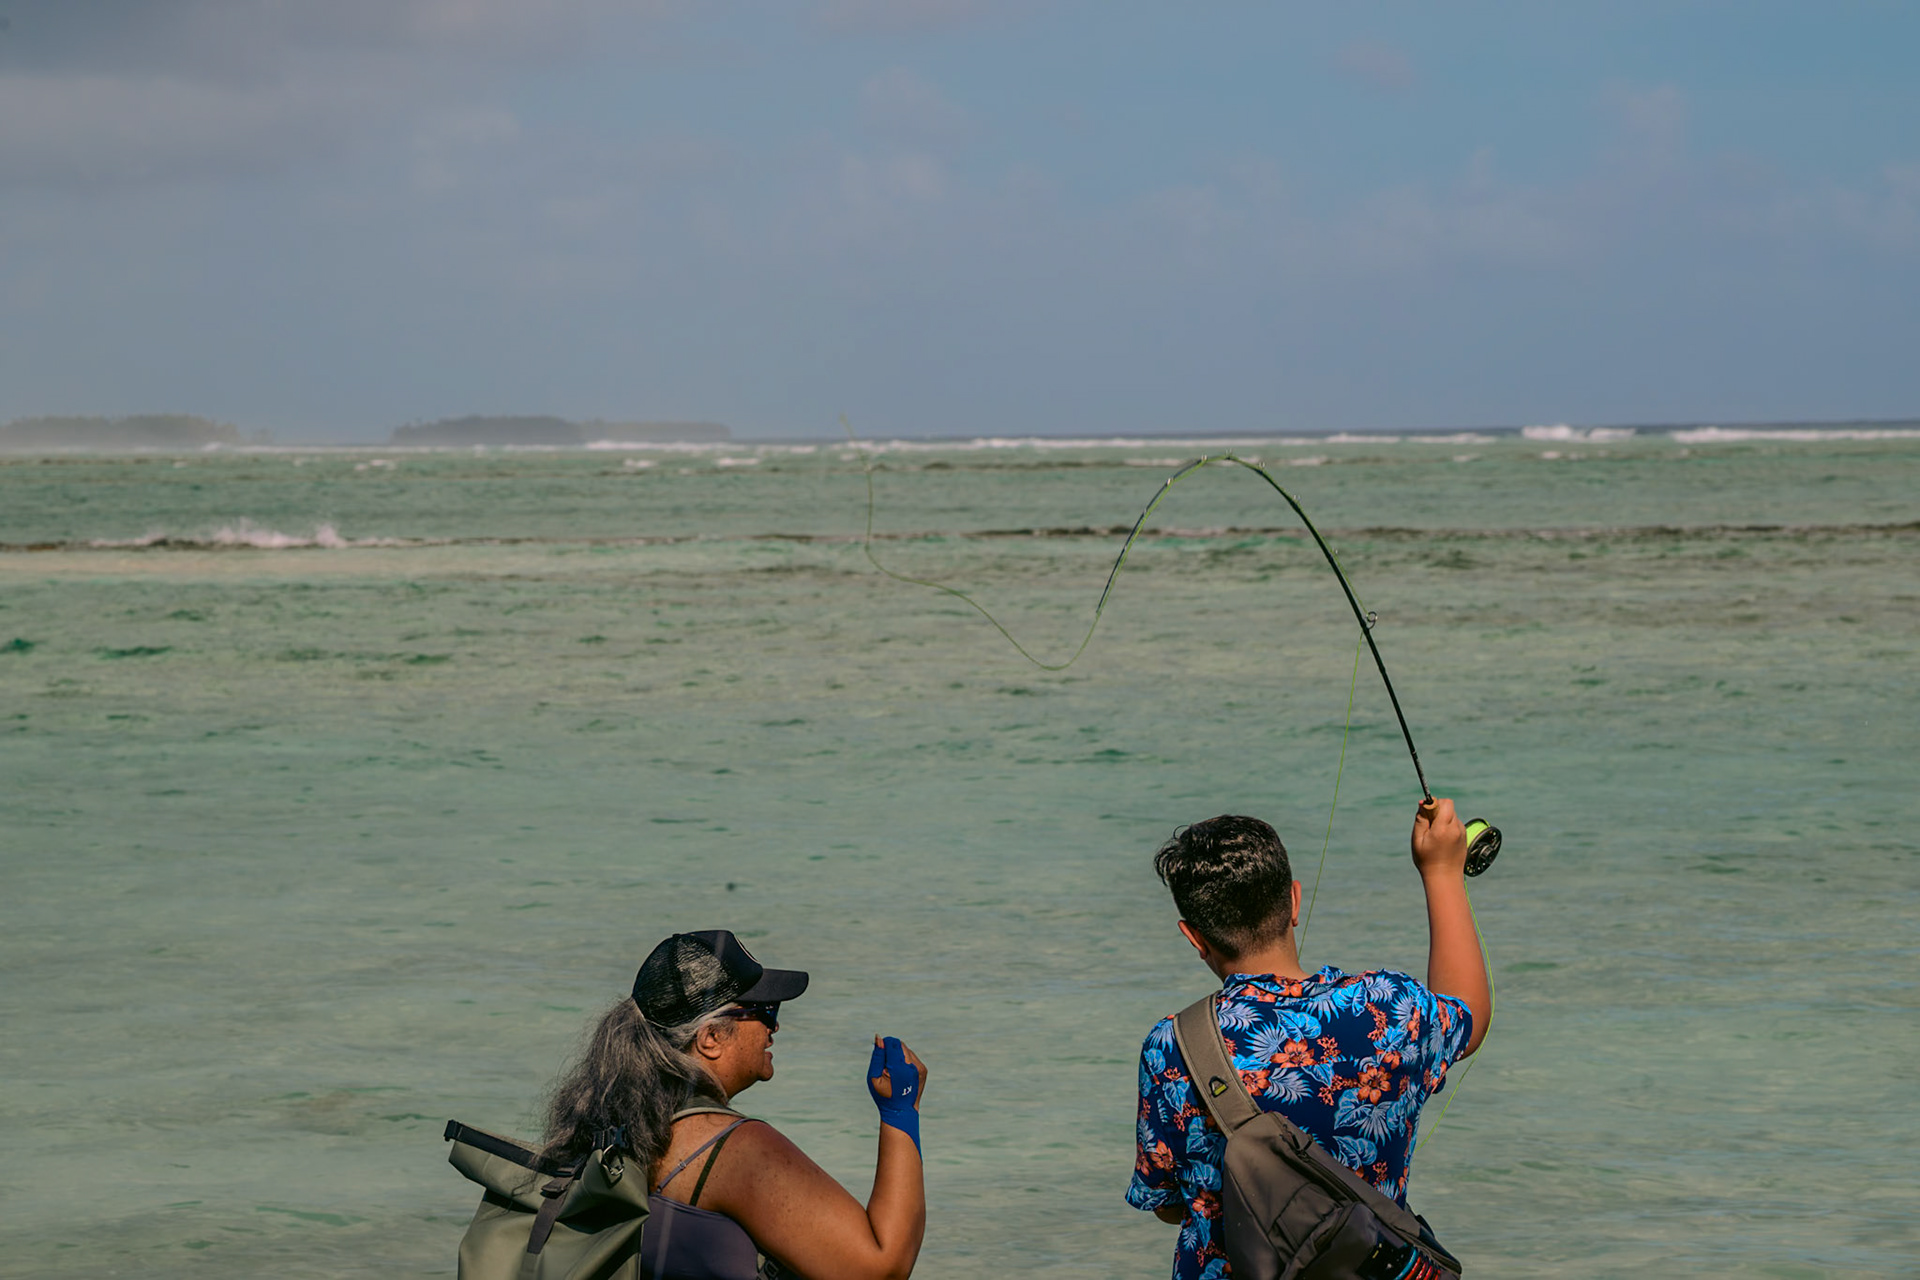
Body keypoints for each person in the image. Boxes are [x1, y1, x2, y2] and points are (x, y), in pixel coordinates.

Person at [1126, 800, 1491, 1280]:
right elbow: (1469, 1014)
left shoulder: (1172, 1046)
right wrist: (1441, 871)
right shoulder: (1390, 1009)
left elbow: (1167, 1203)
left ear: (1194, 937)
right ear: (1294, 901)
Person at [542, 929, 928, 1280]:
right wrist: (900, 1112)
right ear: (710, 1037)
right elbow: (881, 1268)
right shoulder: (737, 1151)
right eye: (764, 1012)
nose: (773, 1028)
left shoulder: (611, 1126)